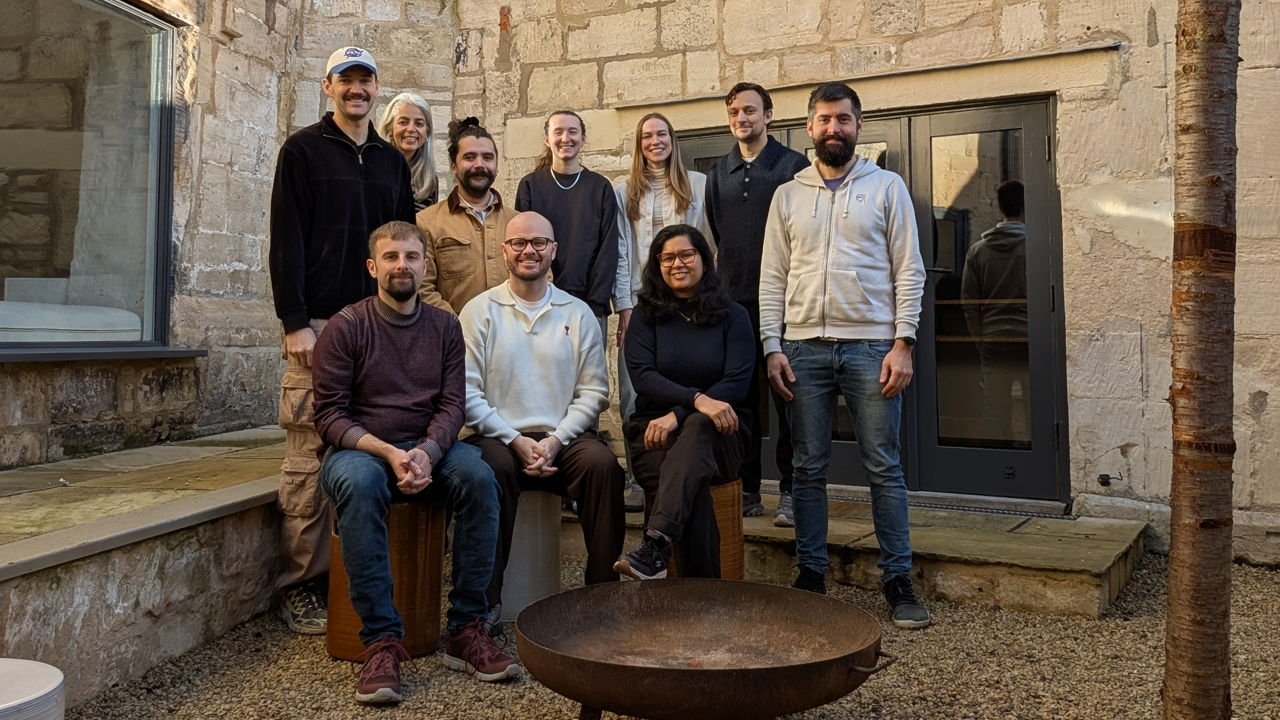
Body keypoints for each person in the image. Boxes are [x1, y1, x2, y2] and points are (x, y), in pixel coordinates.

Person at [313, 221, 518, 705]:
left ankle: (467, 629)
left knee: (479, 477)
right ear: (372, 267)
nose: (401, 265)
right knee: (360, 488)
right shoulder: (346, 327)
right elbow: (329, 415)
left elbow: (453, 405)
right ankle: (382, 642)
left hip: (428, 446)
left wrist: (427, 451)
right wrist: (387, 451)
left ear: (425, 266)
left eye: (410, 257)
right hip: (359, 451)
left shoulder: (445, 327)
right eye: (391, 257)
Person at [759, 81, 931, 629]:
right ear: (809, 128)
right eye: (825, 120)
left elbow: (910, 268)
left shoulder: (888, 187)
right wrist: (771, 345)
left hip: (873, 347)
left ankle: (897, 579)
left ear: (858, 126)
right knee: (807, 468)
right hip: (802, 348)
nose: (835, 129)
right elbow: (772, 277)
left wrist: (903, 341)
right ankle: (811, 573)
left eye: (845, 120)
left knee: (884, 466)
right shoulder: (788, 195)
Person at [268, 46, 415, 635]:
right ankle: (303, 583)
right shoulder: (302, 149)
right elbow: (286, 240)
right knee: (308, 457)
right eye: (345, 80)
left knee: (370, 447)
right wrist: (294, 321)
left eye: (365, 80)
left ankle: (362, 580)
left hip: (379, 324)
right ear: (328, 87)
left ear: (376, 88)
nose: (357, 89)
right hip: (321, 327)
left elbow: (403, 242)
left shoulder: (390, 160)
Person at [460, 211, 625, 619]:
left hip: (561, 438)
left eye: (538, 242)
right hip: (497, 438)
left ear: (554, 250)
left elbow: (593, 392)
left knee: (603, 466)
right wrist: (515, 441)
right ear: (504, 252)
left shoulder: (578, 313)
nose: (528, 250)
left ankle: (603, 596)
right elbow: (465, 393)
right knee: (488, 472)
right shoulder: (478, 312)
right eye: (518, 243)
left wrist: (555, 441)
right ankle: (485, 607)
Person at [614, 224, 754, 580]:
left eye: (686, 255)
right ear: (658, 265)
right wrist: (696, 400)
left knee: (699, 425)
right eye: (667, 257)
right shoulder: (645, 317)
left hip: (723, 433)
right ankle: (705, 599)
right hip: (652, 433)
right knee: (689, 482)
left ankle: (655, 545)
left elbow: (736, 383)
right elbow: (643, 376)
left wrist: (680, 412)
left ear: (704, 260)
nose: (678, 263)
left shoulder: (733, 316)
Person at [705, 82, 810, 523]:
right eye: (734, 112)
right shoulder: (718, 172)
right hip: (734, 308)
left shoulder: (793, 166)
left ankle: (791, 491)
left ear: (768, 115)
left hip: (786, 304)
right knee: (741, 403)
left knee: (789, 402)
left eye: (750, 110)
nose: (741, 118)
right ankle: (747, 489)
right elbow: (717, 233)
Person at [613, 112, 712, 511]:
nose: (655, 141)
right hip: (641, 304)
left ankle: (682, 470)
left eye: (662, 134)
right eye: (647, 136)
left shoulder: (699, 184)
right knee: (632, 391)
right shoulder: (623, 192)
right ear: (639, 145)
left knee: (683, 386)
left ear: (673, 139)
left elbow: (707, 247)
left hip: (686, 304)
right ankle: (638, 477)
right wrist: (623, 306)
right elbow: (622, 250)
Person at [515, 110, 620, 332]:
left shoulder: (600, 187)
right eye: (558, 132)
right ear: (547, 139)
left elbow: (608, 250)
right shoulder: (530, 186)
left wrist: (596, 305)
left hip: (589, 306)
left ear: (583, 138)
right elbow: (524, 246)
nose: (565, 138)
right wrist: (537, 294)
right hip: (541, 303)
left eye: (573, 132)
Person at [416, 118, 518, 314]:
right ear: (454, 166)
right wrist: (460, 327)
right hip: (455, 338)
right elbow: (423, 288)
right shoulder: (427, 223)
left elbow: (541, 278)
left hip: (513, 338)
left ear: (497, 165)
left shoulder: (517, 223)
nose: (479, 165)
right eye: (470, 157)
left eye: (487, 157)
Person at [962, 180, 1029, 445]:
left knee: (995, 405)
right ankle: (1030, 455)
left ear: (999, 207)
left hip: (994, 337)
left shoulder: (978, 251)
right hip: (1028, 337)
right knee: (1034, 403)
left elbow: (968, 304)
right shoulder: (1036, 247)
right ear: (1026, 206)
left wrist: (980, 339)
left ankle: (997, 457)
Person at [377, 92, 439, 210]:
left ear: (427, 132)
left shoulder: (429, 179)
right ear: (390, 129)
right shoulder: (374, 168)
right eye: (403, 122)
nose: (411, 129)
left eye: (419, 124)